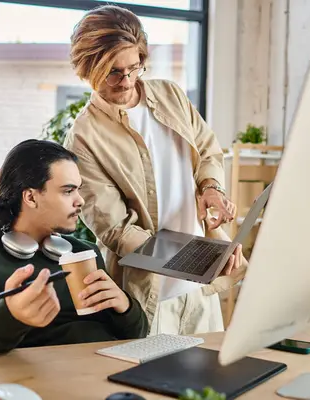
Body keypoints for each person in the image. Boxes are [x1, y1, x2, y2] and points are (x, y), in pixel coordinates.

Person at [64, 5, 247, 335]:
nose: (127, 81)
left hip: (201, 291)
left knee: (208, 383)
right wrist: (199, 258)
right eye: (113, 72)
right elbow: (117, 230)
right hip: (150, 298)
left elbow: (208, 150)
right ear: (87, 68)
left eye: (135, 68)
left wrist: (211, 189)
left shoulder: (171, 95)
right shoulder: (83, 138)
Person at [0, 139, 148, 353]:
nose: (80, 200)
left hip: (99, 369)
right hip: (37, 376)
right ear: (31, 197)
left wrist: (124, 307)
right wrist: (10, 315)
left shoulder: (83, 253)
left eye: (78, 190)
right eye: (68, 191)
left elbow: (136, 334)